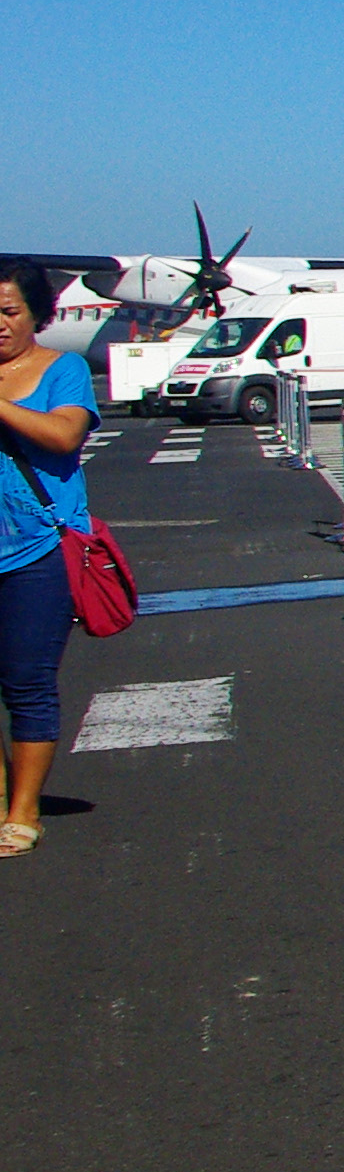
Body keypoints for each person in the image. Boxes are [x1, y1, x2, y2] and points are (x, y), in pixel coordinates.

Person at [0, 259, 100, 857]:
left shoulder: (64, 369)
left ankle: (24, 809)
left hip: (38, 548)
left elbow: (65, 435)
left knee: (27, 681)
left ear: (36, 313)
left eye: (8, 311)